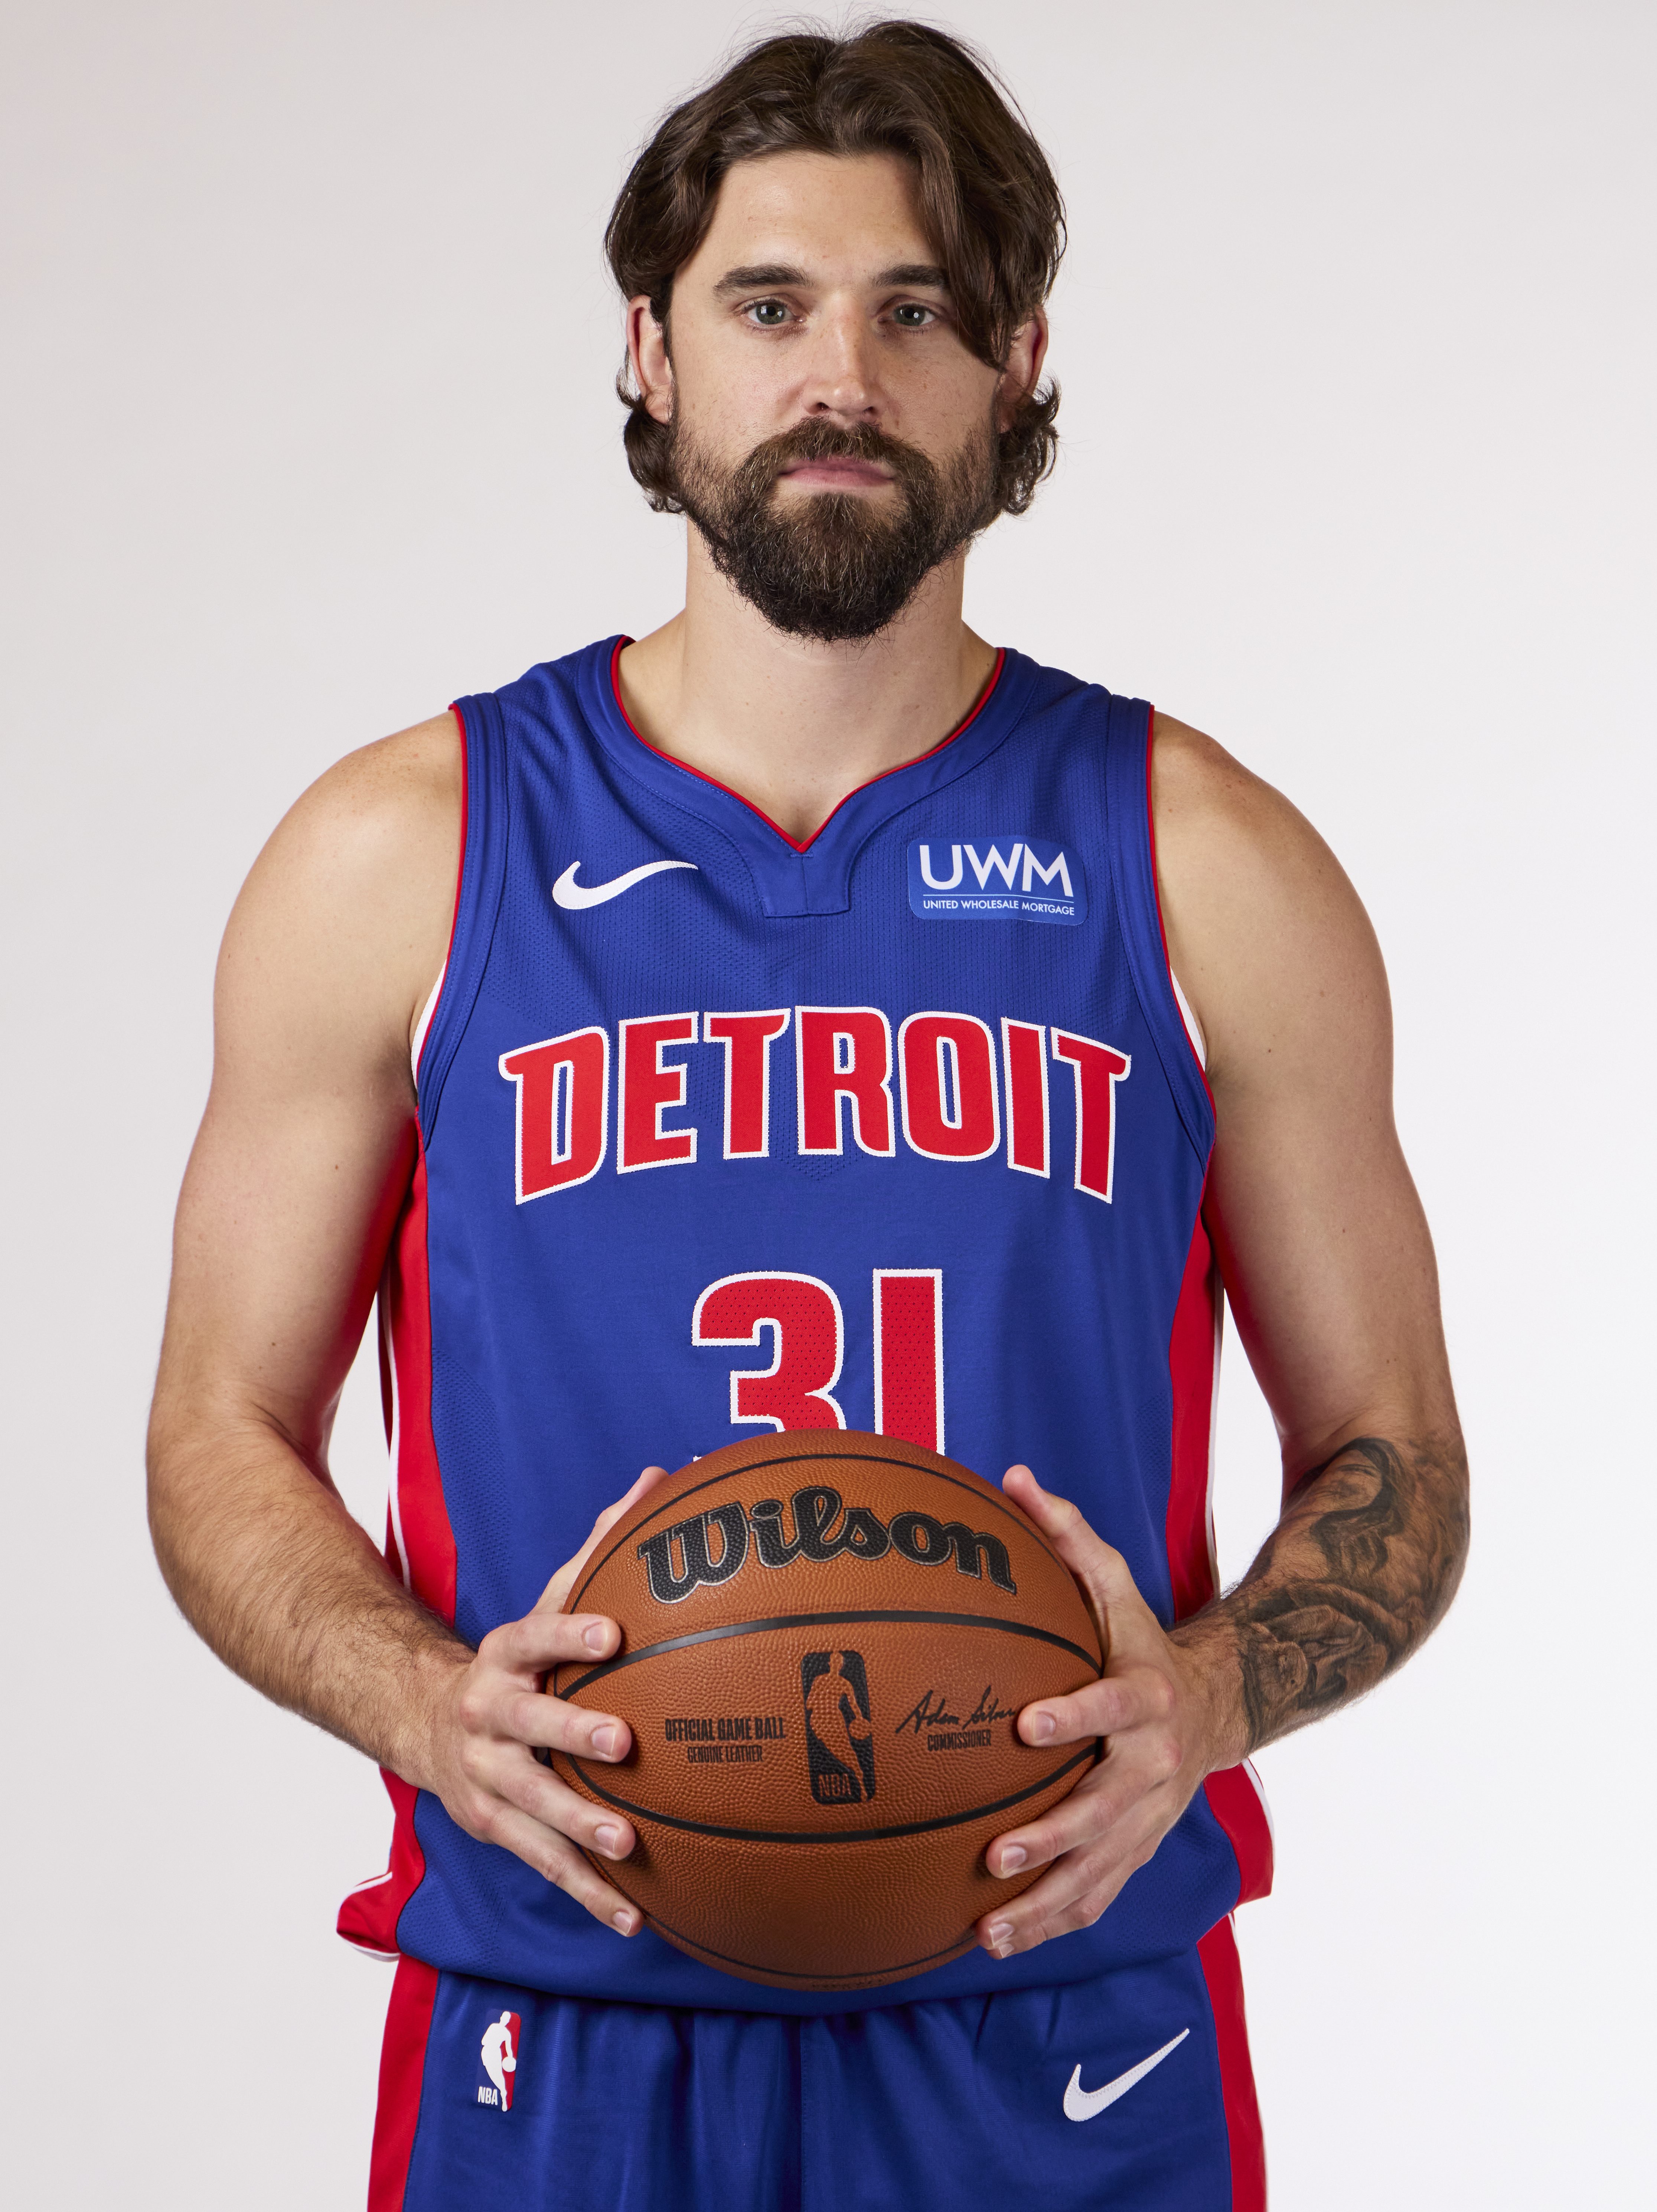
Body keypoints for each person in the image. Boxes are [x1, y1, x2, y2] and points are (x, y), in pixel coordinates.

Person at [146, 21, 1468, 2210]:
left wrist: (1209, 1700)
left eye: (916, 310)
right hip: (559, 2012)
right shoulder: (406, 851)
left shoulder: (1201, 861)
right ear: (652, 352)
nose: (838, 374)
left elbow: (1401, 1458)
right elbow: (213, 1430)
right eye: (768, 306)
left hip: (1061, 2019)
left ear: (1018, 362)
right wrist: (422, 1704)